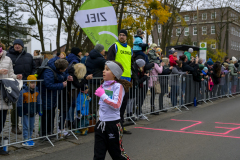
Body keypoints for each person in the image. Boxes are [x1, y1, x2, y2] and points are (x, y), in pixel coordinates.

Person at [93, 61, 131, 160]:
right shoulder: (103, 85)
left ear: (114, 74)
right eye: (104, 69)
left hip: (113, 125)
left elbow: (116, 105)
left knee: (117, 155)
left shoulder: (118, 86)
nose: (103, 71)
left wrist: (103, 95)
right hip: (101, 125)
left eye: (107, 69)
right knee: (98, 155)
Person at [107, 29, 137, 134]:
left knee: (124, 103)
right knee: (116, 102)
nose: (121, 36)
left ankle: (121, 126)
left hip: (127, 79)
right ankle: (113, 126)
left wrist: (134, 77)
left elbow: (131, 64)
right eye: (120, 35)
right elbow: (109, 62)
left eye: (124, 35)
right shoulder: (114, 46)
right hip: (117, 78)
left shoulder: (130, 48)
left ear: (126, 37)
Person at [7, 39, 35, 134]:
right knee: (15, 106)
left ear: (22, 46)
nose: (17, 46)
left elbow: (34, 68)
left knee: (27, 105)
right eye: (15, 44)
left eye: (19, 44)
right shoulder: (8, 56)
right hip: (14, 83)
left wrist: (31, 78)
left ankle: (27, 125)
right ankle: (14, 126)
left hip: (26, 84)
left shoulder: (29, 56)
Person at [39, 57, 72, 137]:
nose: (65, 70)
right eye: (64, 69)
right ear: (60, 69)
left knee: (51, 115)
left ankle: (50, 132)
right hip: (46, 95)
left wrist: (67, 77)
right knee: (46, 115)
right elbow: (48, 85)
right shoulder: (49, 71)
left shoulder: (57, 69)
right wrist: (62, 85)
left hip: (53, 96)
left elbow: (64, 74)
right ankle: (44, 134)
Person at [0, 42, 22, 155]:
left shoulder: (8, 59)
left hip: (3, 95)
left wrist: (16, 76)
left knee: (1, 122)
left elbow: (11, 74)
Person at [17, 75, 40, 146]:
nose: (33, 84)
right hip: (25, 111)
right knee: (25, 125)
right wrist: (20, 111)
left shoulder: (36, 91)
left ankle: (30, 137)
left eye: (35, 83)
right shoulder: (23, 91)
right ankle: (25, 138)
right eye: (32, 83)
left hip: (33, 111)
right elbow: (19, 102)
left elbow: (39, 100)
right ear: (28, 83)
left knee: (31, 125)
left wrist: (39, 109)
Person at [86, 44, 106, 115]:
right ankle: (93, 120)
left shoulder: (89, 57)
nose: (104, 50)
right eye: (103, 49)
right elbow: (108, 66)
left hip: (90, 82)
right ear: (100, 50)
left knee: (90, 101)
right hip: (96, 82)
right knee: (95, 102)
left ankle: (89, 119)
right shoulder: (100, 59)